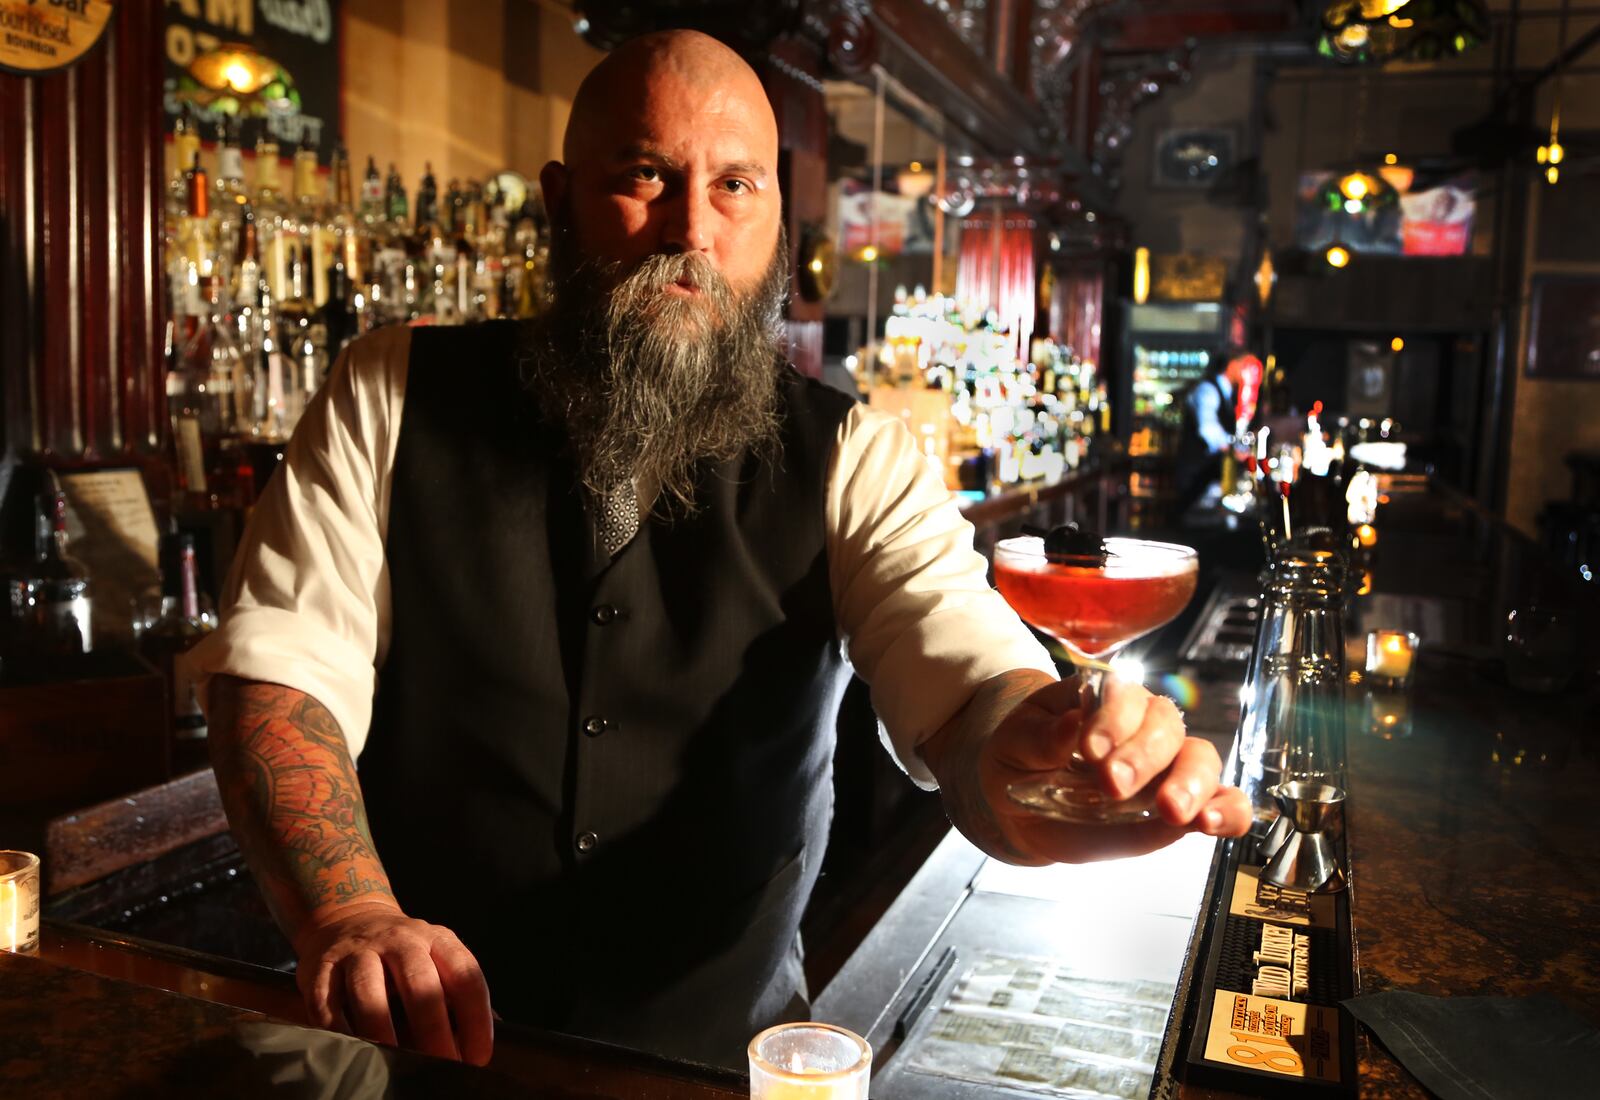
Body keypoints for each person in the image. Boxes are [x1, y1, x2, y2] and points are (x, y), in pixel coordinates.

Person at [192, 30, 1250, 1071]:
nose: (690, 229)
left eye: (735, 186)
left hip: (721, 1063)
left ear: (776, 220)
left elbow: (967, 687)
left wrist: (1040, 765)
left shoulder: (855, 453)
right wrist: (352, 908)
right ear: (559, 204)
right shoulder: (392, 391)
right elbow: (282, 676)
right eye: (645, 176)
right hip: (416, 1052)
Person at [1175, 351, 1249, 514]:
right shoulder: (1207, 389)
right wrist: (1234, 449)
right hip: (1195, 474)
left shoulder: (1229, 393)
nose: (1246, 373)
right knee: (1191, 521)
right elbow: (1208, 429)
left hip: (1209, 474)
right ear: (1232, 365)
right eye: (1244, 366)